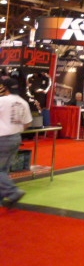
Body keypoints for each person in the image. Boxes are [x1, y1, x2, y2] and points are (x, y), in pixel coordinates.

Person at [0, 77, 33, 208]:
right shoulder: (23, 102)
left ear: (5, 88)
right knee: (3, 170)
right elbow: (28, 123)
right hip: (16, 137)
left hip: (2, 138)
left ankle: (13, 191)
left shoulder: (2, 101)